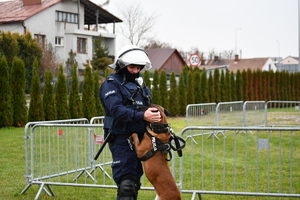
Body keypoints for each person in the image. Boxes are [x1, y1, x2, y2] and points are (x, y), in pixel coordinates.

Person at [99, 45, 161, 200]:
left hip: (140, 139)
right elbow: (116, 110)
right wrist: (142, 116)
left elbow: (145, 108)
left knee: (134, 183)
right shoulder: (111, 84)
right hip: (121, 139)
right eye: (132, 66)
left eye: (138, 67)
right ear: (122, 65)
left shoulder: (138, 85)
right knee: (126, 185)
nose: (135, 70)